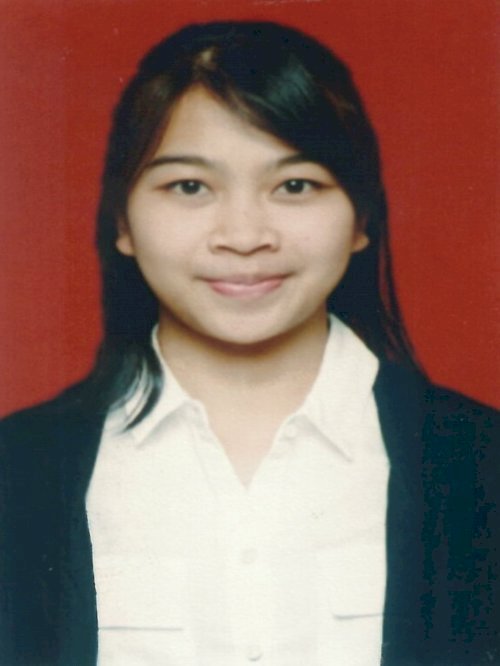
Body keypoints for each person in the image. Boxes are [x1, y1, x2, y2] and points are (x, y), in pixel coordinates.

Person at [1, 20, 498, 666]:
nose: (243, 236)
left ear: (362, 218)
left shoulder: (481, 465)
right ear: (122, 219)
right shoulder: (18, 474)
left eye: (295, 185)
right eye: (189, 187)